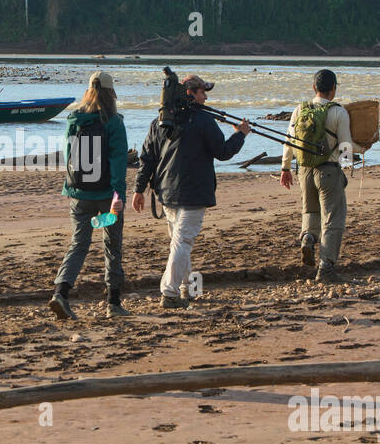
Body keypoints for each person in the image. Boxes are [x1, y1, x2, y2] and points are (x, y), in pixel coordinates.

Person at [133, 74, 250, 309]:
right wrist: (241, 134)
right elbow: (224, 152)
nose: (205, 97)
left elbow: (147, 158)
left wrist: (139, 189)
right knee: (182, 242)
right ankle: (169, 293)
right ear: (190, 93)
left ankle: (188, 289)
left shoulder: (160, 120)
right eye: (202, 92)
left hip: (166, 191)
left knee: (179, 242)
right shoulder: (203, 120)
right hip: (193, 193)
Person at [49, 71, 129, 321]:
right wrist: (119, 195)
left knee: (79, 243)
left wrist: (71, 187)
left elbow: (68, 156)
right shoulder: (114, 121)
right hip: (107, 198)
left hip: (79, 196)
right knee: (112, 246)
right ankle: (113, 303)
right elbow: (118, 162)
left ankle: (61, 293)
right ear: (111, 92)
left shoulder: (74, 119)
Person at [280, 69, 354, 284]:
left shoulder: (299, 110)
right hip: (328, 171)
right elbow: (346, 147)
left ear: (314, 88)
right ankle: (327, 267)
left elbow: (289, 141)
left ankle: (308, 238)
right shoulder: (338, 112)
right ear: (333, 89)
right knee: (333, 218)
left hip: (303, 170)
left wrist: (285, 168)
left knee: (310, 210)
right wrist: (348, 163)